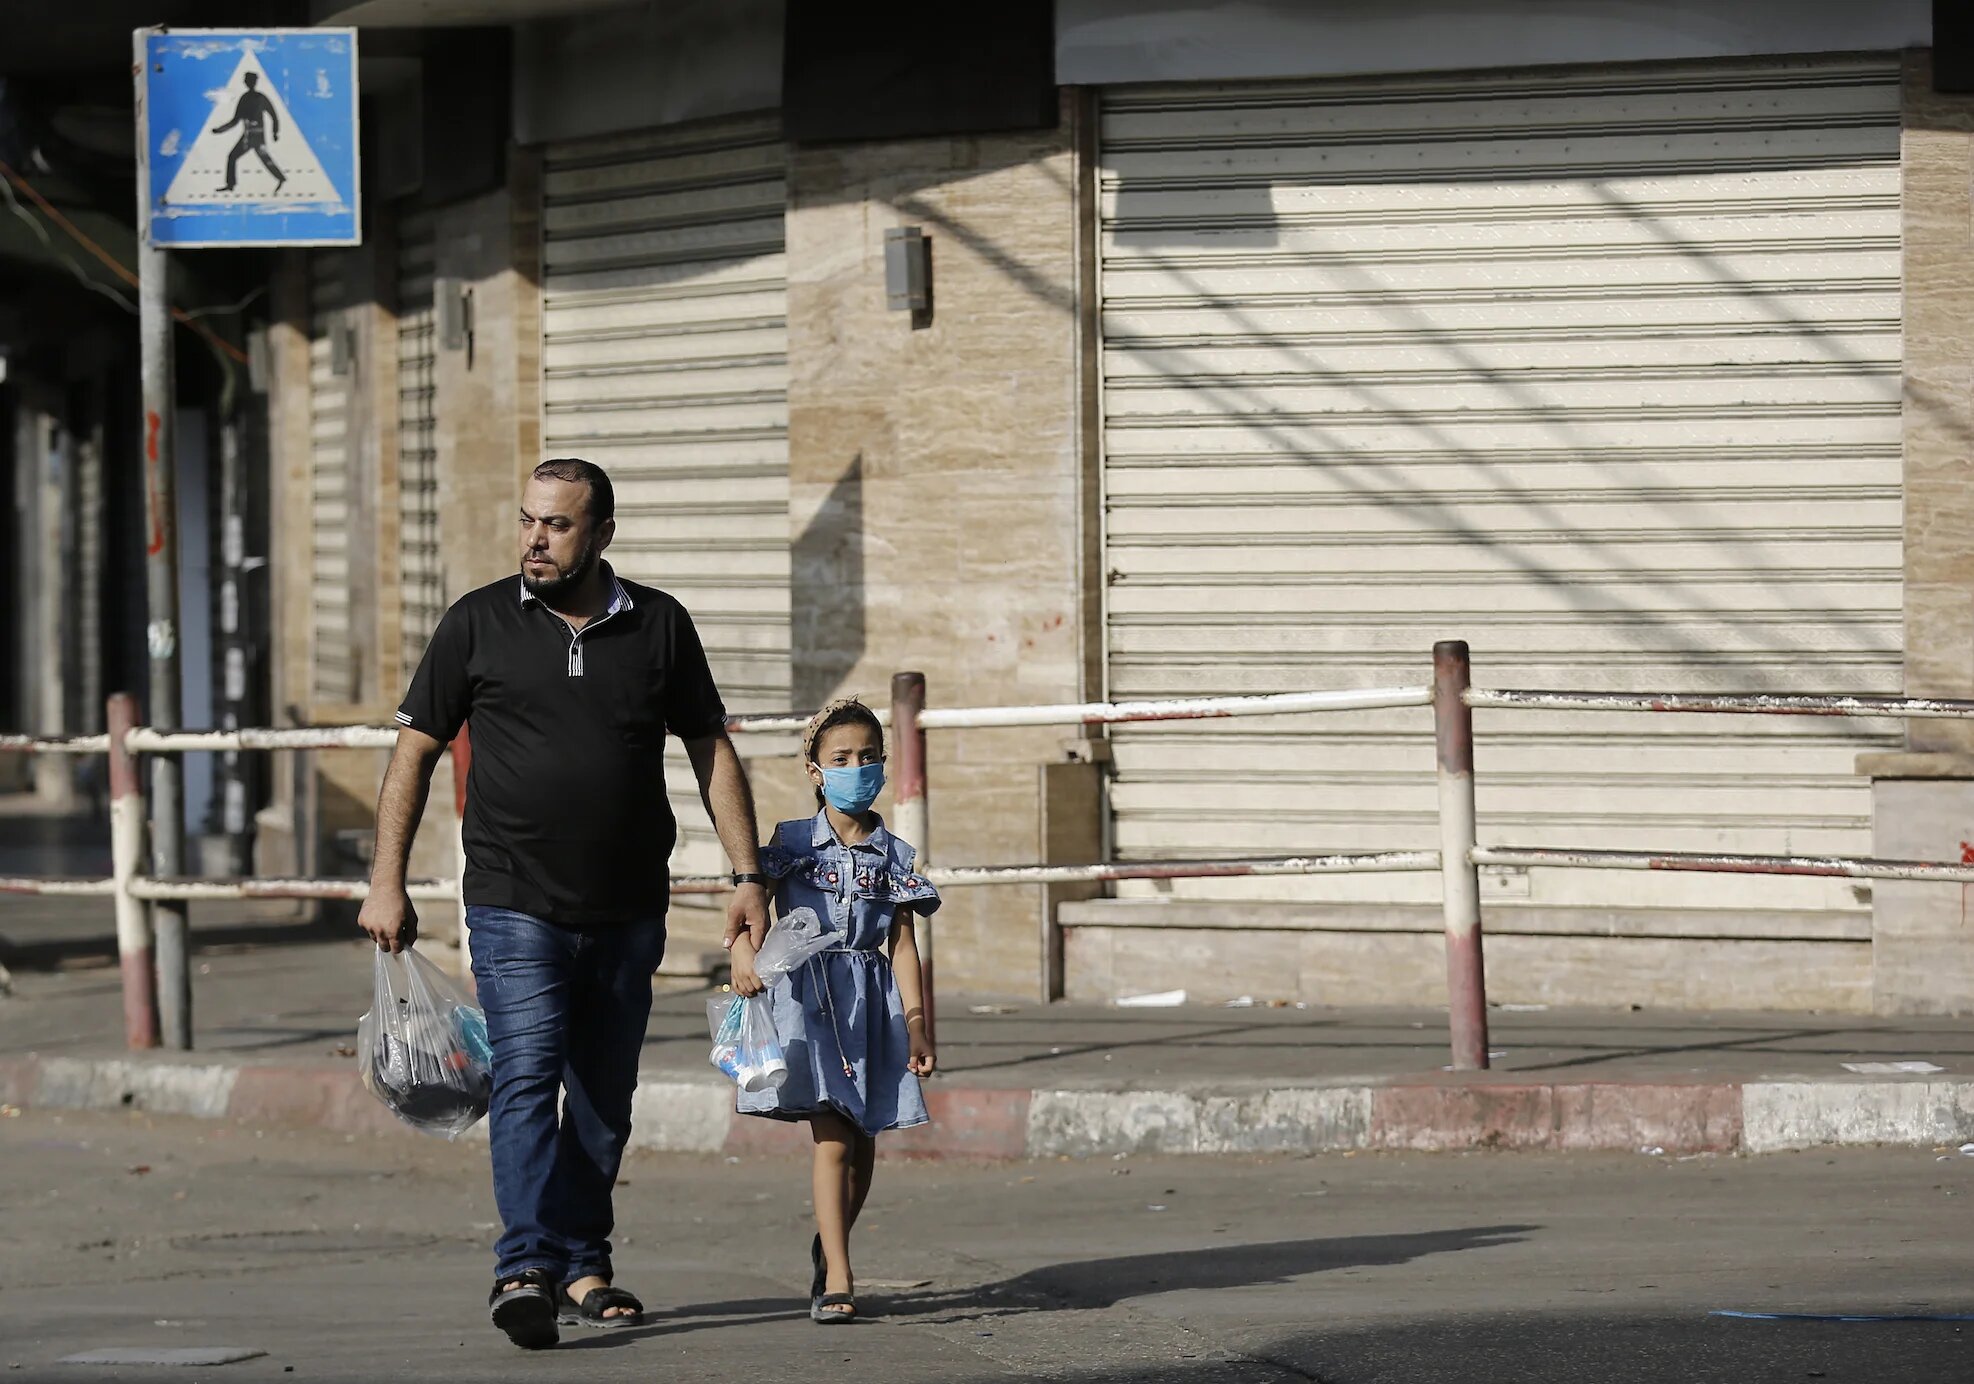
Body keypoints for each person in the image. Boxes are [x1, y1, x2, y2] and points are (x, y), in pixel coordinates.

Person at [358, 458, 771, 1350]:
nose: (536, 540)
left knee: (602, 1096)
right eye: (527, 521)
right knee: (526, 1072)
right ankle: (525, 1265)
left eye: (558, 525)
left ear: (602, 535)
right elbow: (414, 751)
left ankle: (584, 1263)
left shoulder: (659, 625)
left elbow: (711, 750)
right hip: (514, 899)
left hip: (628, 907)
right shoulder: (477, 622)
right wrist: (385, 877)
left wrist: (747, 874)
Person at [728, 697, 938, 1324]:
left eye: (869, 757)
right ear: (815, 770)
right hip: (810, 1002)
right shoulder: (790, 844)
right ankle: (840, 1277)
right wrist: (741, 952)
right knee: (833, 1136)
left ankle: (831, 1239)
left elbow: (903, 944)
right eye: (841, 758)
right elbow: (750, 909)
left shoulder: (895, 855)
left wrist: (918, 1021)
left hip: (871, 1006)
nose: (857, 768)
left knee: (865, 1137)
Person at [212, 72, 285, 193]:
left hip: (257, 137)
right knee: (234, 157)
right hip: (247, 136)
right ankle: (231, 185)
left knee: (265, 159)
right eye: (246, 80)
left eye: (248, 80)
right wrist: (220, 130)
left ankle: (281, 179)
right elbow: (235, 120)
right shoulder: (244, 98)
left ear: (253, 82)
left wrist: (275, 132)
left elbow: (273, 115)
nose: (247, 82)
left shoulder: (261, 98)